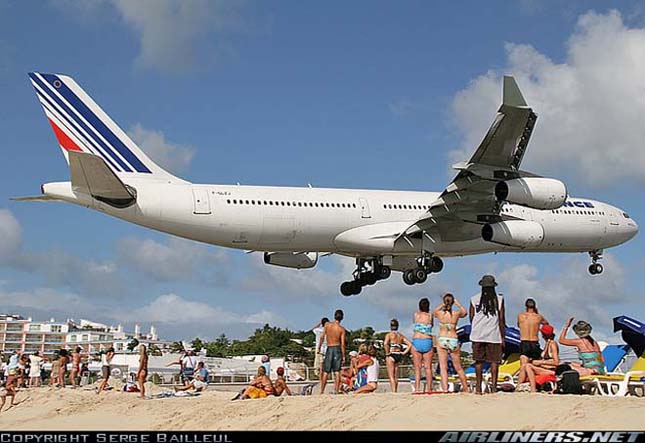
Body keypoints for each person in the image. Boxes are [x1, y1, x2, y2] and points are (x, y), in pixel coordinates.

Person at [470, 275, 505, 395]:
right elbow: (501, 319)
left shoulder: (474, 299)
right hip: (493, 334)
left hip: (477, 334)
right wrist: (503, 336)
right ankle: (494, 388)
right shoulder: (499, 299)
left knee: (478, 362)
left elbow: (471, 317)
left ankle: (478, 388)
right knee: (494, 361)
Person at [434, 293, 469, 393]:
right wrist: (458, 304)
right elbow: (465, 313)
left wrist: (443, 304)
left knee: (443, 367)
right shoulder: (456, 314)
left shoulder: (440, 314)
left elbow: (434, 312)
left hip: (442, 338)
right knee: (458, 367)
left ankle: (445, 389)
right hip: (453, 338)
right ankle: (465, 388)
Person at [516, 298, 549, 385]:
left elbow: (519, 325)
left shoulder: (521, 315)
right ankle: (534, 384)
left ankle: (519, 385)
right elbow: (546, 324)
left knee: (523, 366)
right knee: (534, 366)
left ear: (526, 306)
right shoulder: (538, 317)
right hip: (534, 342)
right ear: (535, 306)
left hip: (524, 342)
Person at [318, 309, 346, 394]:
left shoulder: (327, 325)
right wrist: (344, 355)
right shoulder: (341, 329)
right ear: (342, 318)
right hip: (337, 348)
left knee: (326, 371)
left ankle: (322, 390)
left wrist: (319, 347)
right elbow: (343, 344)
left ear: (334, 316)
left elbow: (322, 337)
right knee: (337, 371)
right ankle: (336, 390)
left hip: (329, 348)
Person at [524, 324, 560, 392]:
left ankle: (533, 389)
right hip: (545, 368)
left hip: (551, 371)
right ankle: (519, 385)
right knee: (525, 366)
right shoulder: (548, 343)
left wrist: (540, 362)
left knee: (528, 366)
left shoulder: (552, 344)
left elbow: (556, 362)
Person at [411, 297, 434, 393]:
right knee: (428, 367)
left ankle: (417, 388)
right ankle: (429, 388)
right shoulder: (430, 316)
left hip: (417, 340)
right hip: (427, 340)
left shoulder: (416, 315)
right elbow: (431, 325)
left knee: (417, 368)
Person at [383, 319, 412, 393]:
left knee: (391, 375)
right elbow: (410, 344)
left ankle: (393, 391)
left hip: (392, 353)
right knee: (396, 375)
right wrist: (404, 352)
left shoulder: (389, 335)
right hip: (398, 354)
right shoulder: (400, 336)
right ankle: (395, 389)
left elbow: (385, 344)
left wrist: (387, 353)